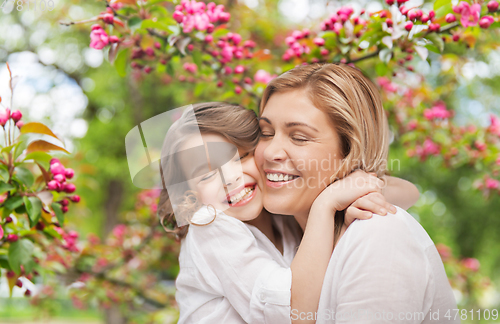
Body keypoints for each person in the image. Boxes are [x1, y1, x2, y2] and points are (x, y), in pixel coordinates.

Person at [158, 102, 419, 323]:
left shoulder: (279, 211)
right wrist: (325, 204)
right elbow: (294, 313)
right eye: (206, 174)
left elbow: (408, 193)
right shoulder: (209, 225)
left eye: (240, 156)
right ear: (190, 198)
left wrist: (345, 185)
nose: (230, 178)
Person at [255, 62, 458, 323]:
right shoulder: (280, 238)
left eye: (299, 137)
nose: (271, 152)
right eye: (265, 133)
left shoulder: (376, 235)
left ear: (350, 150)